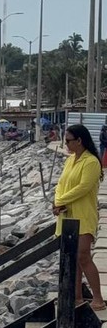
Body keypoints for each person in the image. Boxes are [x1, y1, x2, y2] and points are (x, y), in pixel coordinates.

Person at [53, 124, 106, 311]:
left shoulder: (91, 162)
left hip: (83, 216)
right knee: (71, 258)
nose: (66, 144)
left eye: (68, 140)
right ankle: (76, 298)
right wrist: (58, 199)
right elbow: (61, 183)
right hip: (67, 215)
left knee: (83, 256)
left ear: (79, 141)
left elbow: (83, 187)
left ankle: (98, 298)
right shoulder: (70, 160)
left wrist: (61, 201)